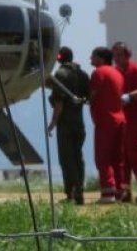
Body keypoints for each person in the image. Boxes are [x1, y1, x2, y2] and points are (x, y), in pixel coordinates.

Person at [47, 46, 90, 205]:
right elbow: (88, 98)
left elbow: (59, 103)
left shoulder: (61, 75)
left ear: (59, 58)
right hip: (79, 123)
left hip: (65, 124)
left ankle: (73, 192)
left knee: (67, 159)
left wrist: (52, 123)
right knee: (78, 157)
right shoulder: (83, 74)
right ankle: (80, 190)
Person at [112, 41, 137, 204]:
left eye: (119, 54)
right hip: (122, 117)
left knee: (135, 152)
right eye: (114, 55)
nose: (116, 58)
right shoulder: (116, 72)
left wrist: (129, 96)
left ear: (127, 55)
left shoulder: (136, 70)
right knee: (123, 156)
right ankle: (125, 191)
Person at [88, 46, 126, 204]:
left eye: (93, 56)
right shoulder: (117, 73)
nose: (90, 59)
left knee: (103, 158)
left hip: (105, 121)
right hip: (120, 119)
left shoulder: (98, 73)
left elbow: (93, 94)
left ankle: (108, 193)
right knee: (117, 158)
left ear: (101, 58)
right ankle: (119, 191)